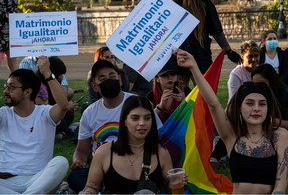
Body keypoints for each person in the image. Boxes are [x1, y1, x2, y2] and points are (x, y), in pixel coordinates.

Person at [174, 48, 288, 194]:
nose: (256, 108)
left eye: (262, 104)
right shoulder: (232, 135)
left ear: (268, 108)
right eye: (250, 103)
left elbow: (280, 187)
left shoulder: (279, 136)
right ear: (240, 108)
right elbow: (213, 103)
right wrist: (193, 67)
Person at [68, 60, 163, 193]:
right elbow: (81, 151)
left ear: (120, 80)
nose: (109, 80)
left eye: (112, 76)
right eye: (103, 78)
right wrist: (78, 161)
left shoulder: (138, 103)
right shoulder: (89, 113)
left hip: (137, 165)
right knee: (75, 178)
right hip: (102, 167)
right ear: (95, 86)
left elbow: (159, 136)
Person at [81, 96, 182, 194]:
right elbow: (91, 187)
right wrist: (88, 192)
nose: (142, 123)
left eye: (147, 118)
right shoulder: (104, 152)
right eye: (135, 118)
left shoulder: (161, 152)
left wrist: (175, 183)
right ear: (124, 120)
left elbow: (170, 189)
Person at [0, 57, 69, 193]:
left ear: (27, 92)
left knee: (61, 162)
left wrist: (48, 73)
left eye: (11, 87)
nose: (6, 91)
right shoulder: (4, 114)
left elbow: (64, 105)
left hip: (38, 180)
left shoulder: (44, 113)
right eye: (6, 87)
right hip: (5, 181)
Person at [166, 0, 241, 79]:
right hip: (175, 56)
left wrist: (229, 51)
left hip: (200, 54)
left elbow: (216, 30)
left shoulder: (203, 2)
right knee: (178, 93)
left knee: (204, 92)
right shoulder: (165, 2)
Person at [146, 58, 185, 123]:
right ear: (157, 79)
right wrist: (160, 106)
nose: (170, 78)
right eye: (164, 75)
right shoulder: (151, 95)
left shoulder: (185, 91)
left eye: (173, 74)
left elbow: (195, 114)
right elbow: (147, 119)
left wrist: (184, 102)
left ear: (177, 76)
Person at [252, 63, 288, 129]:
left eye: (262, 84)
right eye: (255, 85)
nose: (258, 88)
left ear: (272, 81)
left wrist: (270, 120)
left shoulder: (284, 96)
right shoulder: (254, 96)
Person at [0, 0, 18, 72]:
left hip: (10, 35)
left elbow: (15, 13)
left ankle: (14, 83)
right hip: (8, 34)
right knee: (12, 66)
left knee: (13, 66)